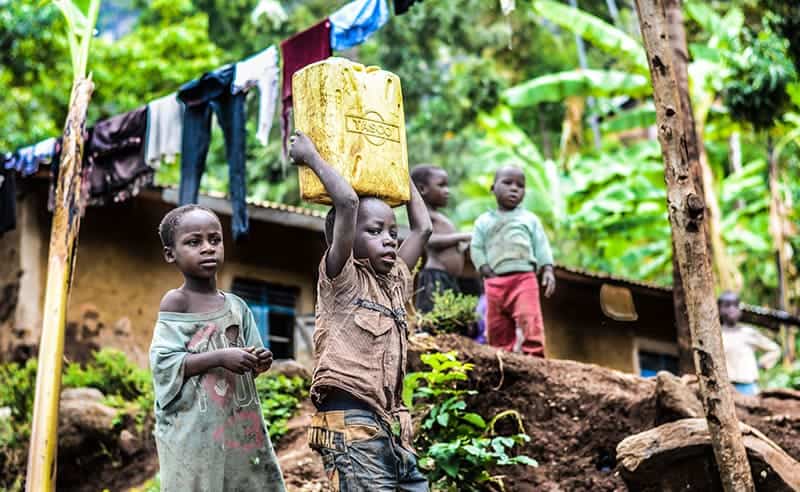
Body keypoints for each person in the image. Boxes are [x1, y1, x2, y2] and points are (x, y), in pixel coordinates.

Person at [289, 130, 432, 491]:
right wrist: (311, 157)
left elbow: (424, 227)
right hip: (349, 423)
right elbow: (348, 204)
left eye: (391, 231)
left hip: (392, 425)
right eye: (375, 231)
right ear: (347, 238)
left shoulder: (395, 279)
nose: (389, 238)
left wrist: (399, 168)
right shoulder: (342, 278)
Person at [149, 204, 286, 492]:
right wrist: (221, 357)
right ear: (170, 254)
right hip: (191, 430)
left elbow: (251, 364)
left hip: (236, 423)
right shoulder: (177, 302)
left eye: (215, 239)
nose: (208, 248)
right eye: (194, 242)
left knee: (242, 481)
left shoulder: (237, 306)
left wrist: (258, 361)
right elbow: (163, 364)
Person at [470, 165, 556, 357]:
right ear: (493, 188)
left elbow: (541, 245)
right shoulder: (483, 221)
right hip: (494, 281)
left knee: (529, 318)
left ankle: (534, 354)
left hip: (524, 279)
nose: (514, 188)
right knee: (496, 324)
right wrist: (484, 267)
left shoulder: (529, 219)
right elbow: (476, 246)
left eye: (520, 185)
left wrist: (548, 269)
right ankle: (502, 357)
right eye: (507, 183)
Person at [410, 164, 471, 314]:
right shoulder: (423, 215)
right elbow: (428, 240)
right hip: (435, 276)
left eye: (447, 186)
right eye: (441, 185)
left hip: (448, 277)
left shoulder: (440, 216)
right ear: (422, 189)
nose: (447, 191)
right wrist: (462, 236)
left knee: (449, 319)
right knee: (433, 319)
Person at [718, 291, 781, 395]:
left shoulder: (748, 332)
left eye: (735, 305)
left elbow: (775, 349)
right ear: (719, 309)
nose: (732, 309)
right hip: (725, 389)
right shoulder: (716, 334)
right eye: (727, 305)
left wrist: (761, 364)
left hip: (748, 387)